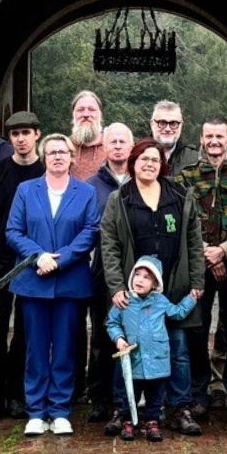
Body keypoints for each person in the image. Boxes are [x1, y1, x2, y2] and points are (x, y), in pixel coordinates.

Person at [100, 138, 206, 436]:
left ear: (163, 165)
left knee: (179, 350)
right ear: (133, 162)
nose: (149, 164)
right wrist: (117, 285)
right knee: (130, 349)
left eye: (155, 160)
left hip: (174, 283)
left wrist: (197, 281)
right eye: (143, 159)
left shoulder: (180, 195)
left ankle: (181, 407)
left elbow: (195, 242)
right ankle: (125, 408)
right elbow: (108, 245)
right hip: (135, 289)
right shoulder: (120, 199)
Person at [6, 133, 101, 436]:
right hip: (33, 281)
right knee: (35, 347)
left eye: (63, 152)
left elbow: (90, 231)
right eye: (52, 152)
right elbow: (13, 230)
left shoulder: (85, 192)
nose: (58, 157)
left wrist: (61, 259)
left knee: (64, 347)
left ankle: (60, 409)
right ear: (44, 157)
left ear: (72, 157)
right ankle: (36, 410)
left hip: (70, 281)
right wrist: (38, 257)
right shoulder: (26, 190)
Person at [174, 117, 227, 422]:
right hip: (199, 263)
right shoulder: (186, 177)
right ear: (201, 139)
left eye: (219, 136)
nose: (214, 142)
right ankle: (199, 392)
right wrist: (209, 255)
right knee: (197, 327)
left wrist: (225, 250)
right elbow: (186, 222)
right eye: (208, 136)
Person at [0, 111, 45, 421]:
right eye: (15, 133)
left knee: (26, 331)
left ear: (37, 135)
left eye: (26, 132)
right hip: (0, 258)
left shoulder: (45, 172)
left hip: (32, 259)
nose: (20, 139)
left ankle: (18, 393)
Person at [105, 256, 201, 442]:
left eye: (146, 277)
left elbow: (177, 312)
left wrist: (191, 298)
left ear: (156, 283)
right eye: (137, 275)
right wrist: (119, 339)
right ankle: (128, 421)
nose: (140, 280)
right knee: (129, 393)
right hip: (133, 358)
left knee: (155, 394)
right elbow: (112, 322)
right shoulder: (124, 300)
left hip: (157, 358)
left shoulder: (160, 301)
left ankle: (152, 421)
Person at [85, 122, 134, 421]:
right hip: (103, 271)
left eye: (122, 141)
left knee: (132, 332)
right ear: (104, 147)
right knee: (102, 336)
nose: (117, 146)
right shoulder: (90, 186)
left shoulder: (141, 181)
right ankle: (98, 396)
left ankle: (127, 395)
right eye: (112, 141)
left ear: (131, 146)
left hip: (137, 273)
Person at [150, 100, 197, 177]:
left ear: (181, 125)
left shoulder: (194, 159)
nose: (168, 129)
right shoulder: (137, 155)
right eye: (162, 123)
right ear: (152, 124)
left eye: (173, 123)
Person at [70, 90, 107, 180]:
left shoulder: (113, 147)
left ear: (100, 115)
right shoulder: (64, 147)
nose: (86, 114)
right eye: (80, 110)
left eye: (91, 109)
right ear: (73, 115)